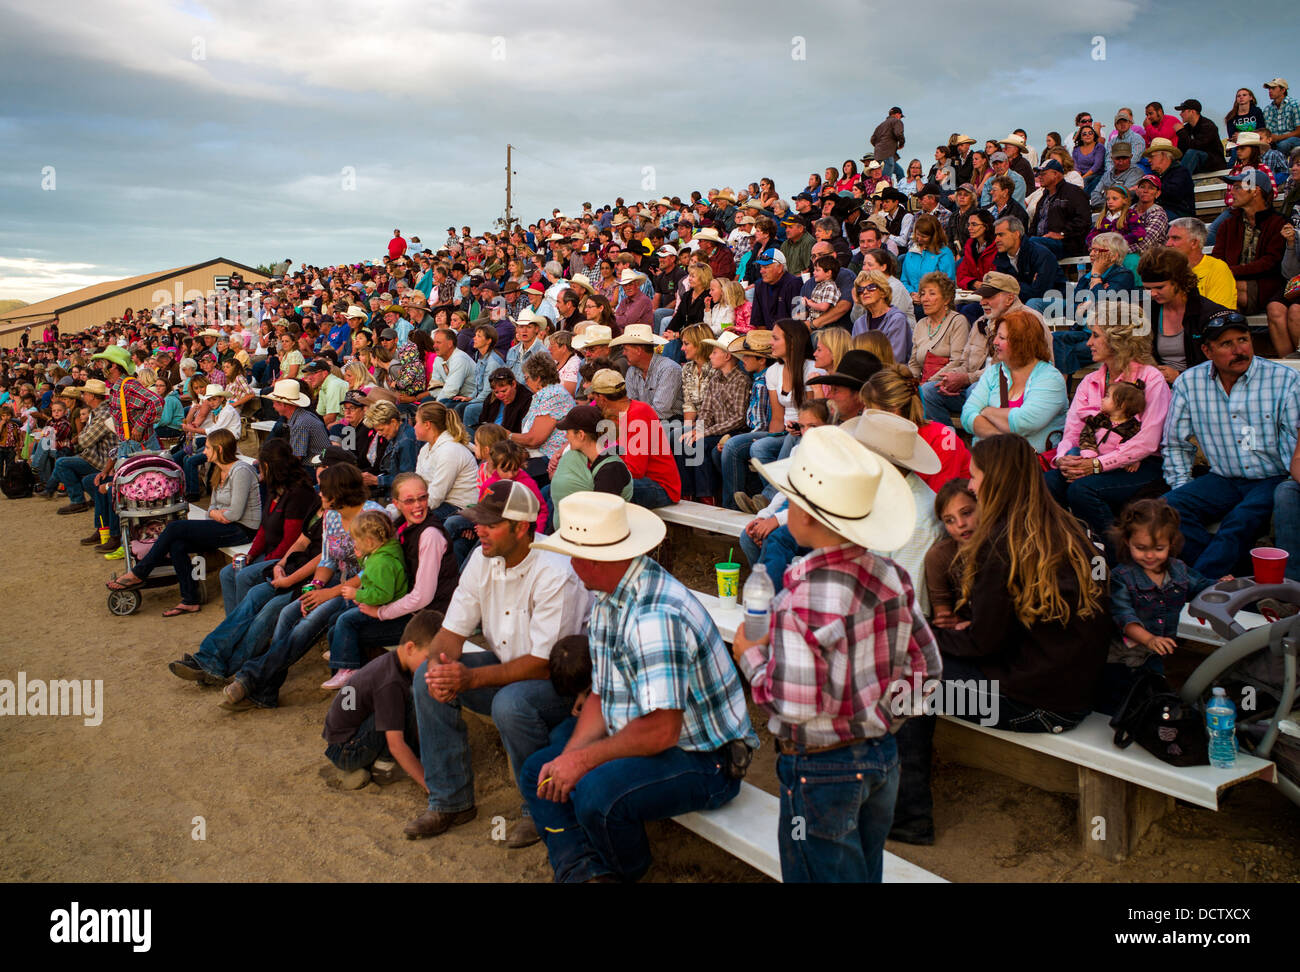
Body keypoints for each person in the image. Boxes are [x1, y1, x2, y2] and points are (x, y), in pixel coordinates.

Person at [731, 425, 938, 882]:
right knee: (863, 867)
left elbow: (793, 704)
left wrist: (750, 657)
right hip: (881, 755)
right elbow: (926, 668)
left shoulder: (803, 596)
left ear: (803, 515)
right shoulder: (892, 577)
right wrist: (881, 720)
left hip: (821, 767)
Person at [523, 492, 758, 883]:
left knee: (596, 793)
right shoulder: (610, 595)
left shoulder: (653, 615)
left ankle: (622, 870)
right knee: (541, 771)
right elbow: (602, 692)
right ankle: (583, 871)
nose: (570, 562)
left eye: (572, 553)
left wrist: (579, 761)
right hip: (656, 734)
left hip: (707, 759)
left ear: (592, 561)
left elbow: (662, 731)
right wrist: (571, 758)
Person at [890, 434, 1113, 845]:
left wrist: (932, 635)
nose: (970, 484)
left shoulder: (1002, 542)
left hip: (1035, 706)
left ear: (997, 480)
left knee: (904, 678)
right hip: (1070, 693)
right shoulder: (1065, 525)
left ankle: (909, 817)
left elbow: (983, 645)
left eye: (974, 476)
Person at [404, 480, 590, 846]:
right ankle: (450, 800)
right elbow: (452, 631)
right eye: (479, 521)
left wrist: (469, 679)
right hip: (512, 668)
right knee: (430, 674)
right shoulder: (482, 557)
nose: (479, 530)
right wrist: (441, 665)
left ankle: (539, 809)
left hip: (566, 687)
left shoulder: (555, 570)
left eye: (491, 524)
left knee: (512, 703)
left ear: (522, 528)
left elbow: (543, 664)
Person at [220, 462, 386, 711]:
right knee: (289, 613)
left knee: (307, 624)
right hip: (339, 585)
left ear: (338, 492)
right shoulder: (331, 516)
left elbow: (372, 571)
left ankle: (254, 679)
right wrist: (314, 587)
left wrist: (327, 593)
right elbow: (329, 559)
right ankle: (266, 690)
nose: (319, 492)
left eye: (324, 489)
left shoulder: (372, 514)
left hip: (367, 591)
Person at [1161, 311, 1300, 577]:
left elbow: (1295, 447)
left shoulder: (1285, 380)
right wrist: (1182, 486)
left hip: (1272, 476)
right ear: (1207, 350)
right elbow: (1177, 443)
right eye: (1227, 344)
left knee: (1240, 520)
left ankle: (1198, 587)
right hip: (1222, 478)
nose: (1240, 350)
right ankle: (1230, 573)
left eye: (1243, 339)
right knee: (1165, 510)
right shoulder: (1190, 383)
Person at [1046, 303, 1171, 545]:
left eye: (1095, 335)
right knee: (1049, 482)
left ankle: (1113, 559)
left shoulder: (1151, 378)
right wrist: (1063, 459)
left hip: (1140, 464)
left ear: (1117, 340)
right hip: (1093, 456)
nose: (1088, 343)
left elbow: (1148, 441)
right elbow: (1072, 431)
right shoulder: (1091, 381)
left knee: (1082, 491)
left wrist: (1095, 465)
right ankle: (1069, 551)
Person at [105, 428, 260, 616]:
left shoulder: (241, 471)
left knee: (175, 527)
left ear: (219, 449)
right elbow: (211, 509)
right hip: (225, 525)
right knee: (177, 544)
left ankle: (139, 573)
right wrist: (218, 514)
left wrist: (218, 514)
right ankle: (190, 600)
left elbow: (234, 514)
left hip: (242, 529)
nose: (204, 452)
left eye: (208, 448)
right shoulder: (219, 472)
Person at [1099, 500, 1219, 714]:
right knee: (1119, 704)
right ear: (1127, 541)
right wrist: (1150, 639)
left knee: (1156, 696)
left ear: (1171, 543)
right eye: (1141, 548)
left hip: (1156, 654)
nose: (1150, 555)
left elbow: (1201, 587)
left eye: (1159, 548)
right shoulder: (1121, 577)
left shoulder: (1179, 571)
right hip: (1123, 659)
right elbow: (1123, 617)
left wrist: (1221, 586)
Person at [322, 608, 440, 791]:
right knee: (401, 704)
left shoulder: (394, 662)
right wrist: (429, 785)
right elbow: (396, 744)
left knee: (406, 700)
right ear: (410, 647)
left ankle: (375, 763)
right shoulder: (390, 682)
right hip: (345, 751)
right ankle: (383, 767)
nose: (432, 666)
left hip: (349, 736)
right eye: (428, 658)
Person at [920, 271, 1052, 425]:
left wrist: (967, 379)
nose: (982, 302)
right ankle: (948, 443)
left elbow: (1008, 369)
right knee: (928, 391)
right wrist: (942, 379)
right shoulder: (981, 322)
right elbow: (964, 363)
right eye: (982, 297)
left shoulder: (1027, 321)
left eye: (990, 297)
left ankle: (986, 441)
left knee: (976, 390)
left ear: (1010, 298)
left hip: (1018, 392)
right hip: (977, 386)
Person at [220, 437, 320, 614]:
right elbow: (264, 528)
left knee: (244, 576)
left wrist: (265, 563)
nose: (258, 466)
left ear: (270, 466)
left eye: (261, 463)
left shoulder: (298, 493)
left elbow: (290, 541)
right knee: (227, 574)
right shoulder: (275, 488)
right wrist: (251, 556)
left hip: (287, 558)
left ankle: (243, 625)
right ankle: (234, 621)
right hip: (270, 552)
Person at [961, 310, 1066, 453]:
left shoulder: (1050, 378)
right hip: (989, 462)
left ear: (1022, 343)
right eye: (996, 336)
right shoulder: (993, 373)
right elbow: (967, 416)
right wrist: (1006, 443)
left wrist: (986, 411)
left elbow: (1023, 423)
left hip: (1031, 467)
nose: (995, 342)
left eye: (1002, 338)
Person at [586, 368, 680, 508]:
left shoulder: (640, 413)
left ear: (602, 399)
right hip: (633, 479)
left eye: (594, 397)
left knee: (599, 486)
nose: (592, 400)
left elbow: (635, 470)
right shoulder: (612, 415)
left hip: (660, 486)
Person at [1139, 246, 1232, 384]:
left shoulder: (1210, 313)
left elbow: (1224, 365)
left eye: (1159, 287)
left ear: (1179, 281)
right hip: (1157, 387)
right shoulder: (1145, 310)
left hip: (1201, 388)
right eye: (1147, 288)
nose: (1152, 293)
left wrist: (1180, 376)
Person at [680, 332, 750, 505]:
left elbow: (738, 418)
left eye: (714, 353)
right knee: (685, 441)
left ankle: (707, 497)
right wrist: (699, 429)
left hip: (733, 432)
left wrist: (704, 432)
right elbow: (706, 410)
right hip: (714, 430)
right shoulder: (715, 379)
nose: (710, 356)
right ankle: (687, 493)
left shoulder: (741, 380)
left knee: (699, 445)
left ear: (727, 356)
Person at [1211, 169, 1287, 315]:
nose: (1232, 192)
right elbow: (1217, 258)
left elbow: (1270, 262)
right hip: (1232, 283)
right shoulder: (1227, 225)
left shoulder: (1279, 223)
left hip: (1265, 285)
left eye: (1238, 187)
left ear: (1255, 191)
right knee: (1224, 298)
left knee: (1220, 293)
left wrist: (1229, 272)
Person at [511, 353, 578, 482]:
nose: (525, 382)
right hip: (536, 456)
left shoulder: (552, 395)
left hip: (549, 460)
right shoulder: (544, 394)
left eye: (527, 378)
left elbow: (534, 440)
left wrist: (507, 435)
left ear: (538, 378)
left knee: (508, 475)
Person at [923, 479, 978, 628]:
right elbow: (944, 617)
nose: (960, 524)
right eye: (949, 520)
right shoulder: (939, 557)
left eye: (966, 513)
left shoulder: (1001, 545)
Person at [412, 401, 478, 518]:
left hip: (460, 508)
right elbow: (418, 484)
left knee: (415, 520)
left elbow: (437, 495)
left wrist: (412, 510)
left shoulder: (450, 451)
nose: (414, 426)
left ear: (427, 424)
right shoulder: (425, 449)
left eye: (416, 422)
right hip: (441, 503)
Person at [907, 272, 969, 382]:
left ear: (946, 299)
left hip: (946, 383)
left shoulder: (958, 322)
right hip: (923, 384)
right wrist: (910, 383)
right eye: (922, 294)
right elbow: (914, 364)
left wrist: (927, 384)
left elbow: (957, 362)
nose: (925, 299)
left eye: (932, 294)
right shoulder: (920, 324)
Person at [1166, 217, 1238, 310]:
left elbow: (1217, 313)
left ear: (1194, 243)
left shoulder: (1217, 269)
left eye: (1175, 238)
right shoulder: (1165, 268)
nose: (1168, 244)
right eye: (1168, 238)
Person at [992, 217, 1064, 309]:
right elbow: (1001, 289)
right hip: (1020, 301)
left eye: (1001, 235)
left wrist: (1011, 284)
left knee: (1032, 303)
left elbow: (1040, 293)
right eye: (996, 236)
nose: (996, 240)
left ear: (1016, 234)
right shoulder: (1001, 257)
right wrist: (1028, 285)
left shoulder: (1040, 254)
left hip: (1055, 300)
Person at [264, 377, 329, 464]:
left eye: (274, 402)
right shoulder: (300, 417)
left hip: (315, 466)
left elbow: (296, 458)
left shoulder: (300, 423)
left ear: (284, 404)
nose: (273, 406)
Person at [851, 269, 911, 362]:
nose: (865, 292)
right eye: (860, 290)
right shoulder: (859, 323)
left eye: (871, 287)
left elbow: (896, 358)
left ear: (883, 292)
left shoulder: (897, 319)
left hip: (889, 374)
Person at [1143, 138, 1195, 220]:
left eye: (1152, 157)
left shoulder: (1181, 172)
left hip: (1179, 214)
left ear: (1163, 156)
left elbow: (1174, 192)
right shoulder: (1155, 175)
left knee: (1152, 218)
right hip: (1159, 211)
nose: (1149, 160)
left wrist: (1150, 188)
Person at [1172, 98, 1227, 175]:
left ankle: (1179, 182)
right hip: (1196, 164)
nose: (1180, 114)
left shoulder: (1208, 126)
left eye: (1183, 111)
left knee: (1192, 153)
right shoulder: (1186, 128)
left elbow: (1198, 146)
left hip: (1213, 163)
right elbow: (1181, 150)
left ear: (1192, 112)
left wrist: (1181, 132)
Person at [1264, 78, 1300, 156]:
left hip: (1293, 139)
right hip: (1274, 140)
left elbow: (1299, 131)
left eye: (1273, 88)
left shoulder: (1294, 105)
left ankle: (1281, 167)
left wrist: (1278, 137)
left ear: (1283, 90)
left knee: (1283, 145)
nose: (1270, 91)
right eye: (1269, 89)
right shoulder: (1267, 109)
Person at [872, 107, 907, 182]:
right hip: (887, 155)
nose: (900, 118)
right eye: (901, 117)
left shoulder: (880, 125)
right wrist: (901, 143)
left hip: (878, 156)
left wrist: (879, 146)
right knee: (885, 180)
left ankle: (901, 190)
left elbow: (872, 140)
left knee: (900, 172)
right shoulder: (897, 121)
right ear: (898, 115)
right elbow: (898, 133)